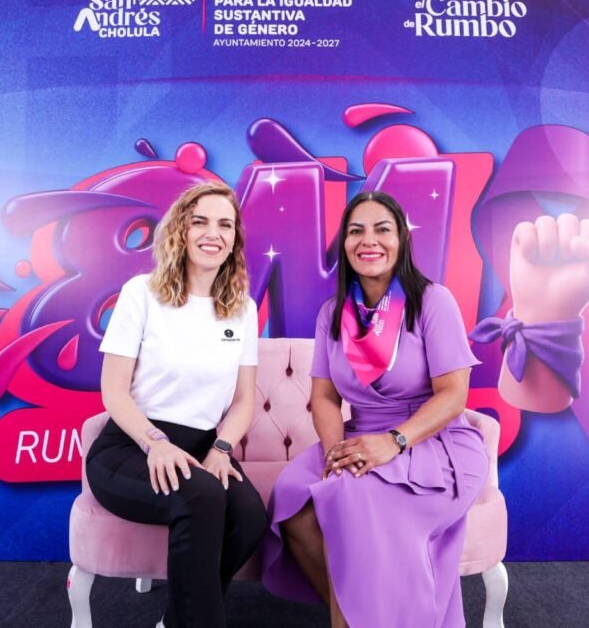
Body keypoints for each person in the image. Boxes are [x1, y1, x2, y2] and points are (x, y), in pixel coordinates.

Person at [262, 190, 490, 628]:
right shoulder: (332, 313)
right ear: (345, 244)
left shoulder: (433, 301)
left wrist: (394, 441)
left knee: (351, 495)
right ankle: (365, 615)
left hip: (431, 442)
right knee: (292, 498)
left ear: (401, 239)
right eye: (356, 231)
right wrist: (334, 454)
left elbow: (453, 395)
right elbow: (325, 397)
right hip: (359, 436)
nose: (369, 240)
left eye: (382, 229)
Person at [85, 182, 268, 628]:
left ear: (235, 238)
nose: (213, 233)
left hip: (202, 445)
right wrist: (155, 443)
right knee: (202, 496)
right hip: (131, 446)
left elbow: (244, 399)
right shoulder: (141, 293)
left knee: (248, 517)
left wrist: (222, 449)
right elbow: (114, 390)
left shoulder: (242, 309)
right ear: (180, 230)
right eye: (199, 221)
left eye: (225, 224)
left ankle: (177, 619)